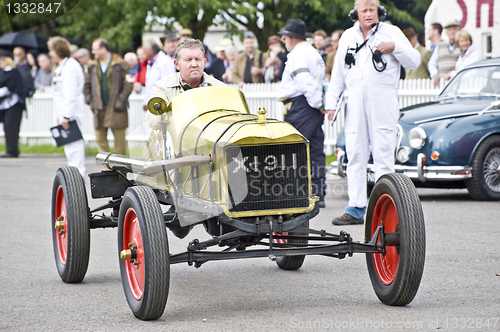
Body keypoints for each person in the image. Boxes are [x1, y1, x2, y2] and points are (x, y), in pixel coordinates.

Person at [325, 0, 420, 225]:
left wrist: (394, 47)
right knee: (355, 152)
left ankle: (384, 207)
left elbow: (414, 61)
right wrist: (331, 102)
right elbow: (338, 73)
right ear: (355, 13)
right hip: (355, 99)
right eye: (364, 10)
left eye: (372, 10)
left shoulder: (392, 32)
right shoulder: (348, 36)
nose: (368, 14)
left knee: (383, 152)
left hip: (383, 99)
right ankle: (356, 206)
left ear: (379, 11)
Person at [277, 19, 328, 208]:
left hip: (301, 105)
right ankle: (317, 192)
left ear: (290, 38)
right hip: (310, 105)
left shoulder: (298, 54)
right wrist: (321, 103)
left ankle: (296, 192)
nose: (283, 40)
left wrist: (317, 103)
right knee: (314, 149)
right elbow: (320, 81)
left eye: (284, 37)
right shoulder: (313, 53)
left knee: (294, 149)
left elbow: (304, 81)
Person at [144, 38, 225, 154]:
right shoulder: (162, 87)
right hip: (170, 152)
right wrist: (168, 113)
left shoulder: (220, 87)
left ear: (205, 62)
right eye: (188, 60)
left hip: (208, 151)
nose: (194, 64)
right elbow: (153, 122)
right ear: (177, 64)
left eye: (198, 59)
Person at [84, 38, 133, 155]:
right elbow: (87, 85)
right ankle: (106, 169)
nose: (93, 52)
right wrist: (90, 100)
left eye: (95, 50)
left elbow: (128, 84)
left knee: (120, 142)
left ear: (103, 49)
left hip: (117, 108)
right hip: (99, 107)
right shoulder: (92, 66)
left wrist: (120, 101)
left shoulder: (120, 64)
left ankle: (120, 171)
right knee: (100, 139)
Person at [48, 37, 86, 177]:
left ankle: (77, 176)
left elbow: (70, 94)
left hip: (70, 112)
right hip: (66, 111)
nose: (50, 54)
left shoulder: (70, 67)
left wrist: (66, 116)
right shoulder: (64, 66)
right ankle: (74, 174)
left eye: (51, 51)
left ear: (57, 51)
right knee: (70, 146)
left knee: (73, 145)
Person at [0, 50, 25, 158]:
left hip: (14, 103)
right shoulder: (4, 72)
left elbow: (13, 87)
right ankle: (10, 149)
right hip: (5, 103)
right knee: (6, 127)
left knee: (12, 126)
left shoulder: (14, 72)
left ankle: (13, 150)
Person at [142, 39, 176, 111]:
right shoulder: (151, 63)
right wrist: (146, 102)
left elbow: (169, 86)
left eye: (144, 50)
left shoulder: (165, 62)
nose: (143, 52)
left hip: (161, 107)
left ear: (150, 51)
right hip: (153, 106)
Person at [428, 21, 461, 87]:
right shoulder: (440, 46)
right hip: (442, 82)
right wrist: (435, 74)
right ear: (446, 32)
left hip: (457, 81)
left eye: (454, 29)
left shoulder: (461, 46)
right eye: (450, 30)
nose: (452, 32)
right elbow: (431, 63)